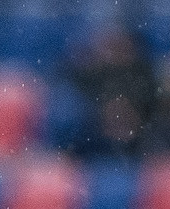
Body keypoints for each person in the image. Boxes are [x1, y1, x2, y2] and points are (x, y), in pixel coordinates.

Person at [64, 20, 164, 160]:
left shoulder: (143, 77)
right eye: (112, 47)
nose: (117, 53)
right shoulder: (91, 78)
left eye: (121, 46)